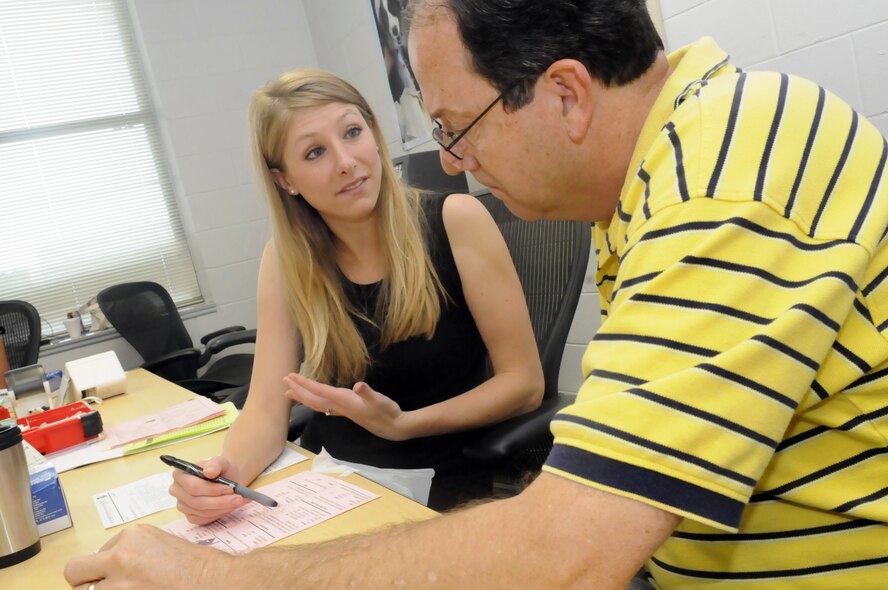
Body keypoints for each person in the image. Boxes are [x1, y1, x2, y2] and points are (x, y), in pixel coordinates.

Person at [65, 1, 888, 588]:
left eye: (457, 126)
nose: (451, 161)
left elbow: (568, 551)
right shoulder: (649, 187)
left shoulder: (726, 174)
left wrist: (214, 577)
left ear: (566, 94)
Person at [166, 67, 544, 518]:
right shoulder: (286, 262)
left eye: (352, 131)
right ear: (285, 180)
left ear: (374, 133)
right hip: (327, 485)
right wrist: (225, 476)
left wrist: (403, 425)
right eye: (314, 152)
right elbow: (267, 408)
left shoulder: (456, 220)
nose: (345, 161)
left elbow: (524, 385)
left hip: (436, 485)